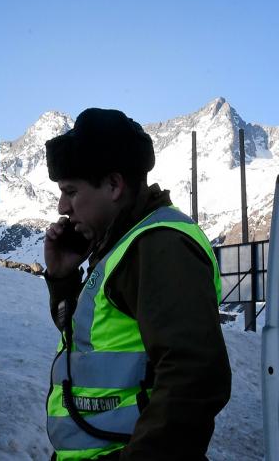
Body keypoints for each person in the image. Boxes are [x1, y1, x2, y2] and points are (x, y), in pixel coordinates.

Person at [42, 108, 231, 460]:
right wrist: (63, 278)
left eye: (71, 191)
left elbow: (195, 376)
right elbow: (91, 345)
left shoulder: (160, 245)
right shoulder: (121, 243)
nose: (62, 206)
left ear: (114, 185)